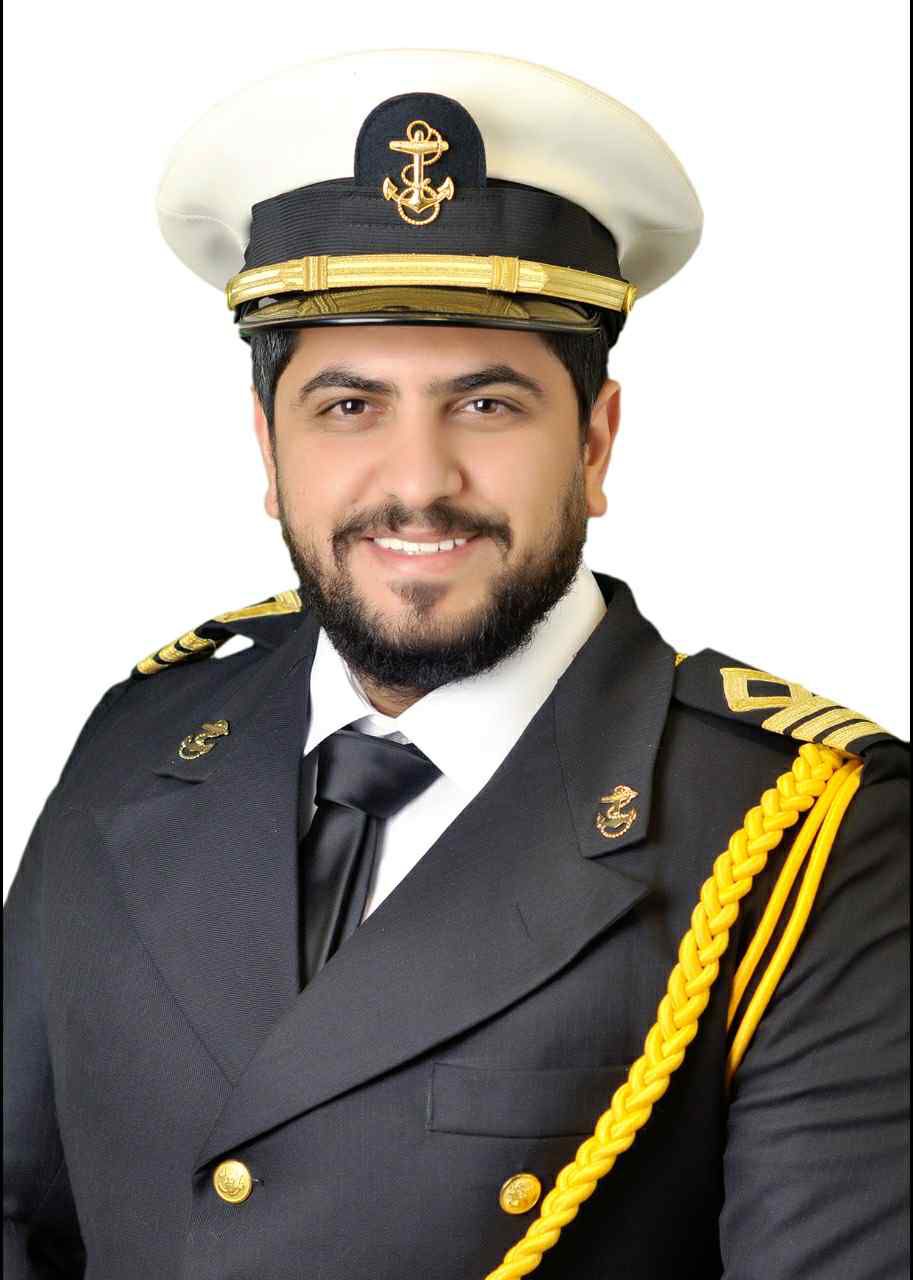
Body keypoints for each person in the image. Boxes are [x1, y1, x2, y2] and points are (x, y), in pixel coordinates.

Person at [4, 48, 908, 1280]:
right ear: (268, 448)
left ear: (594, 442)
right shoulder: (139, 739)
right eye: (349, 406)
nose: (419, 481)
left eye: (487, 404)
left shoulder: (808, 834)